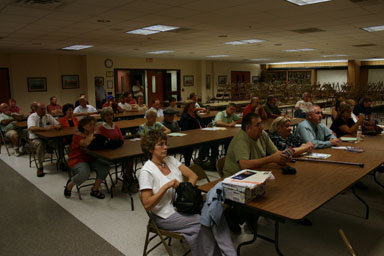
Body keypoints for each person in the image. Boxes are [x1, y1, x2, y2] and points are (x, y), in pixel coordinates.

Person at [138, 130, 236, 256]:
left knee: (214, 212)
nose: (165, 147)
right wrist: (166, 187)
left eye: (166, 144)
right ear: (150, 149)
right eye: (161, 144)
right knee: (203, 221)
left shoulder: (170, 160)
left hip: (183, 205)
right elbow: (147, 204)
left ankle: (228, 253)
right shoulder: (147, 171)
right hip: (165, 215)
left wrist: (185, 190)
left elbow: (193, 176)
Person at [223, 113, 290, 177]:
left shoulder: (262, 134)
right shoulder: (241, 139)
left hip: (256, 172)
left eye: (261, 123)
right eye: (258, 125)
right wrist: (271, 158)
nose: (262, 127)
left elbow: (275, 153)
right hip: (236, 178)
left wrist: (283, 156)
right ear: (248, 128)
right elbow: (244, 165)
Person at [64, 116, 110, 199]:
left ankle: (94, 189)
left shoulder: (95, 134)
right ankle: (69, 186)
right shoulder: (77, 135)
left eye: (94, 125)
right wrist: (91, 134)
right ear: (83, 126)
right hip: (78, 159)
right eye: (90, 125)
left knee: (105, 166)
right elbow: (85, 144)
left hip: (92, 158)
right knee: (84, 173)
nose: (93, 127)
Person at [179, 101, 218, 168]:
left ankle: (213, 160)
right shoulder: (185, 117)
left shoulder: (195, 115)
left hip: (201, 133)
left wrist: (206, 128)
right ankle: (200, 159)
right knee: (206, 141)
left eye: (194, 105)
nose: (195, 107)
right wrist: (199, 132)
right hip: (191, 137)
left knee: (215, 141)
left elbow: (201, 124)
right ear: (188, 107)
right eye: (193, 106)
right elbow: (186, 129)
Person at [27, 103, 61, 177]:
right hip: (35, 138)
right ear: (36, 110)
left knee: (59, 142)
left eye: (44, 109)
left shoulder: (48, 116)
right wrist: (46, 129)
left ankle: (61, 161)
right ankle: (40, 166)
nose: (44, 110)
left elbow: (58, 124)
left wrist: (57, 126)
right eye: (42, 109)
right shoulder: (32, 117)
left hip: (48, 138)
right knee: (40, 144)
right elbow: (31, 128)